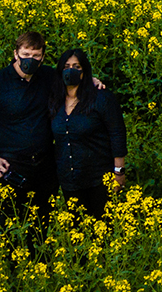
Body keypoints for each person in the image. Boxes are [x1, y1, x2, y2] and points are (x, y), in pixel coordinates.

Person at [0, 32, 102, 251]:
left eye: (35, 55)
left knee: (41, 226)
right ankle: (13, 274)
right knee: (9, 226)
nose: (30, 59)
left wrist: (91, 81)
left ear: (43, 57)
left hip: (45, 167)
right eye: (25, 54)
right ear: (15, 54)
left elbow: (73, 81)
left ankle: (40, 268)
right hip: (9, 167)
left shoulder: (48, 77)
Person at [49, 48, 127, 220]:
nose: (71, 71)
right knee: (79, 231)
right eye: (67, 66)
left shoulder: (101, 98)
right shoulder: (54, 101)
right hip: (70, 180)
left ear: (85, 71)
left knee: (104, 229)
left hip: (100, 179)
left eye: (77, 66)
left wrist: (118, 172)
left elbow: (117, 133)